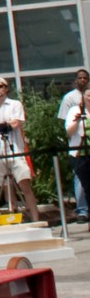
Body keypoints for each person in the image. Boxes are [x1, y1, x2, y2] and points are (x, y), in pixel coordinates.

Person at [0, 76, 38, 224]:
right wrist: (3, 125)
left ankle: (35, 219)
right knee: (5, 188)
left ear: (6, 88)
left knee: (24, 185)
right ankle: (14, 217)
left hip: (15, 149)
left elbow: (14, 124)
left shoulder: (15, 104)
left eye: (0, 86)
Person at [59, 67, 89, 221]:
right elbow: (64, 123)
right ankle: (82, 210)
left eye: (85, 78)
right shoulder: (69, 99)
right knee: (80, 179)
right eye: (80, 78)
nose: (83, 80)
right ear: (76, 80)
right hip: (78, 148)